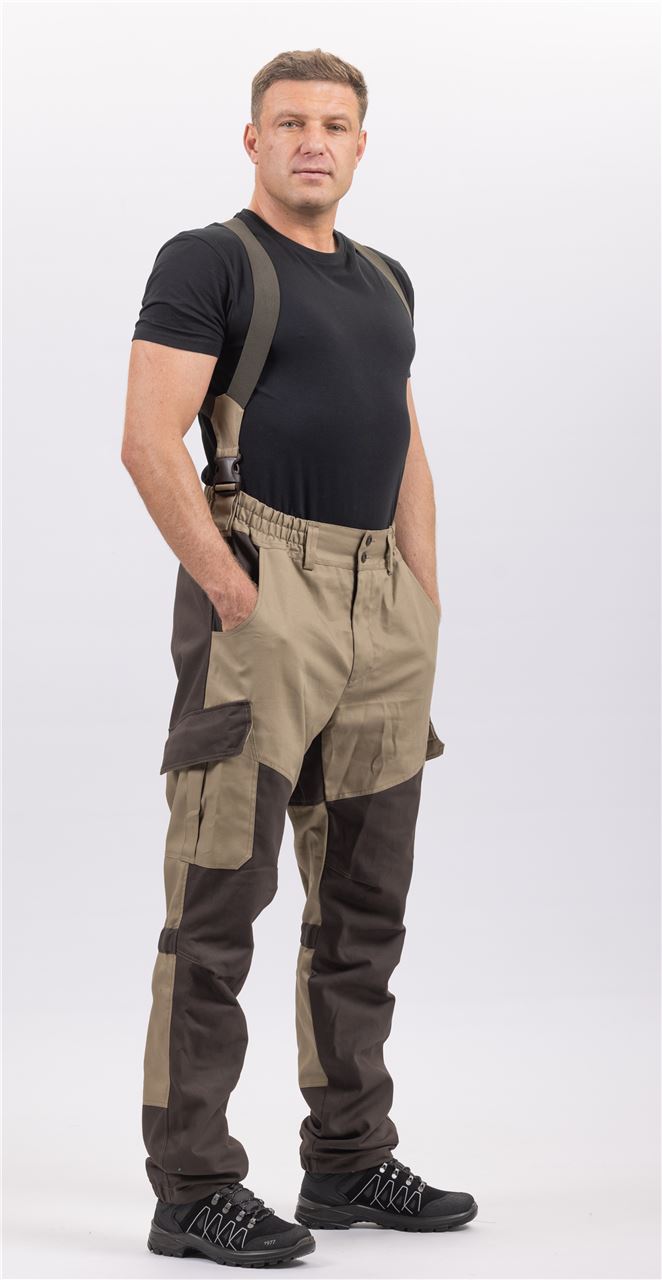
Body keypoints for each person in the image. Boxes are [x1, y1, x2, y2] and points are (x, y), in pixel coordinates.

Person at [122, 45, 477, 1269]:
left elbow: (405, 438)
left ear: (360, 145)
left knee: (365, 903)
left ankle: (347, 1156)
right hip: (265, 586)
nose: (311, 140)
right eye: (288, 122)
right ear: (253, 140)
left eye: (333, 123)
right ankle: (192, 1186)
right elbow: (148, 436)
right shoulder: (210, 260)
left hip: (382, 605)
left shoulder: (385, 279)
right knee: (218, 898)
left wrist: (421, 598)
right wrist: (232, 588)